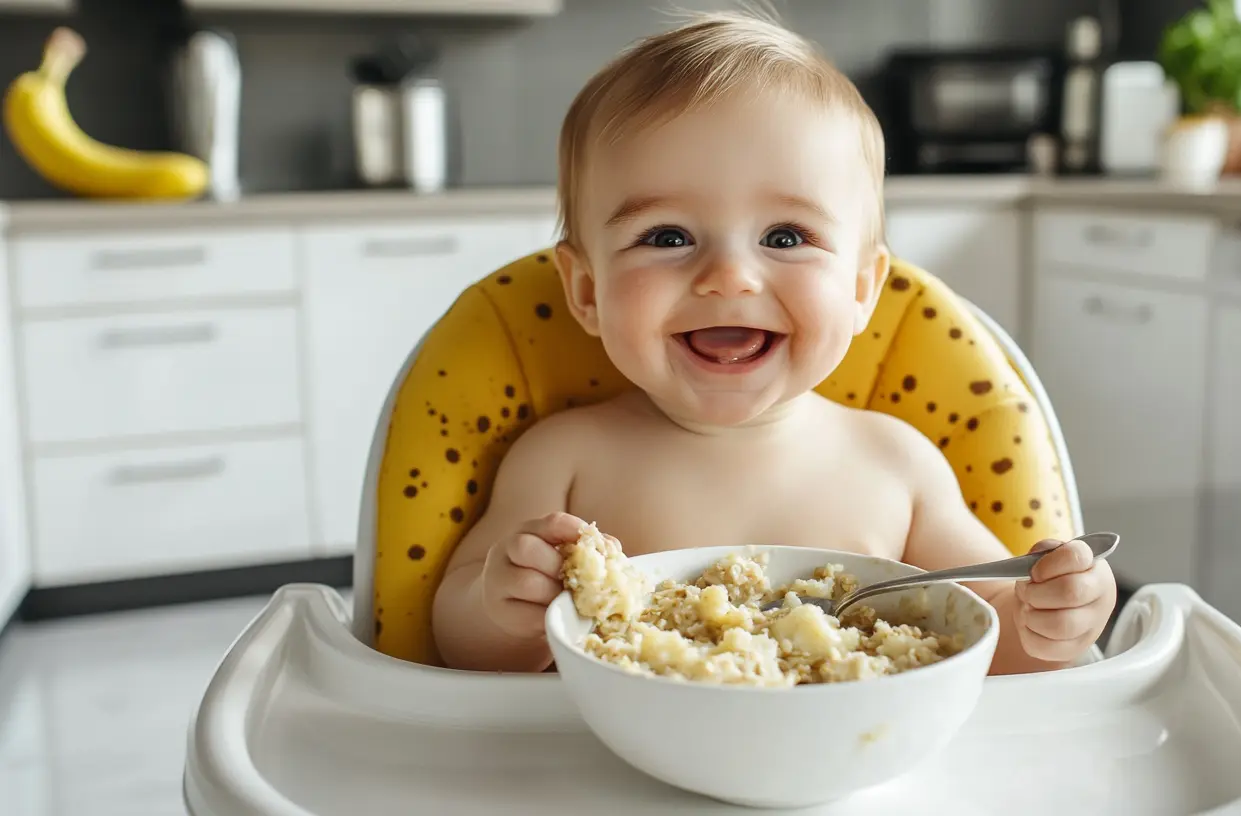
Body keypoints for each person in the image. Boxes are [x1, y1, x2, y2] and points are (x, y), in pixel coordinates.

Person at [432, 9, 1116, 675]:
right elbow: (455, 642)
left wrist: (1056, 615)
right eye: (667, 236)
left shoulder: (897, 466)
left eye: (785, 237)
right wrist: (503, 608)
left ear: (860, 290)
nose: (728, 276)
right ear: (585, 292)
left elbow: (997, 638)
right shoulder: (563, 460)